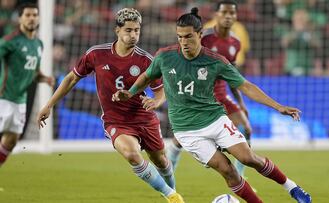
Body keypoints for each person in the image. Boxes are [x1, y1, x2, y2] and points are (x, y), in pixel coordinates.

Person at [113, 7, 312, 203]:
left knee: (248, 158)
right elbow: (146, 77)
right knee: (228, 170)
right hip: (187, 131)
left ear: (200, 35)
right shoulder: (165, 56)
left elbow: (247, 86)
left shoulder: (215, 61)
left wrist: (278, 107)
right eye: (180, 37)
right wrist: (130, 93)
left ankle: (292, 187)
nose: (183, 42)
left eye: (189, 37)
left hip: (215, 120)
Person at [37, 8, 184, 203]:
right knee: (132, 154)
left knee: (161, 161)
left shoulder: (146, 60)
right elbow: (72, 78)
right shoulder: (97, 54)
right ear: (117, 31)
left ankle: (172, 191)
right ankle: (171, 196)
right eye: (128, 30)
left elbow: (161, 89)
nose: (133, 35)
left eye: (137, 30)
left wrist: (156, 101)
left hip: (143, 118)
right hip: (116, 121)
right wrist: (49, 104)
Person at [166, 0, 253, 181]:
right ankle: (168, 171)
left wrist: (241, 103)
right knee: (181, 138)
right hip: (200, 94)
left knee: (246, 128)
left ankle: (241, 176)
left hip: (221, 93)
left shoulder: (235, 43)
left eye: (232, 13)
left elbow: (233, 75)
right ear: (216, 15)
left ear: (236, 16)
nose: (228, 17)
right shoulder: (203, 36)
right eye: (224, 13)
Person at [0, 3, 54, 167]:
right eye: (28, 15)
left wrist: (44, 78)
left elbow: (33, 71)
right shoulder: (9, 42)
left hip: (20, 100)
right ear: (20, 18)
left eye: (34, 15)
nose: (31, 18)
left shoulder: (38, 44)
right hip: (3, 97)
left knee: (11, 140)